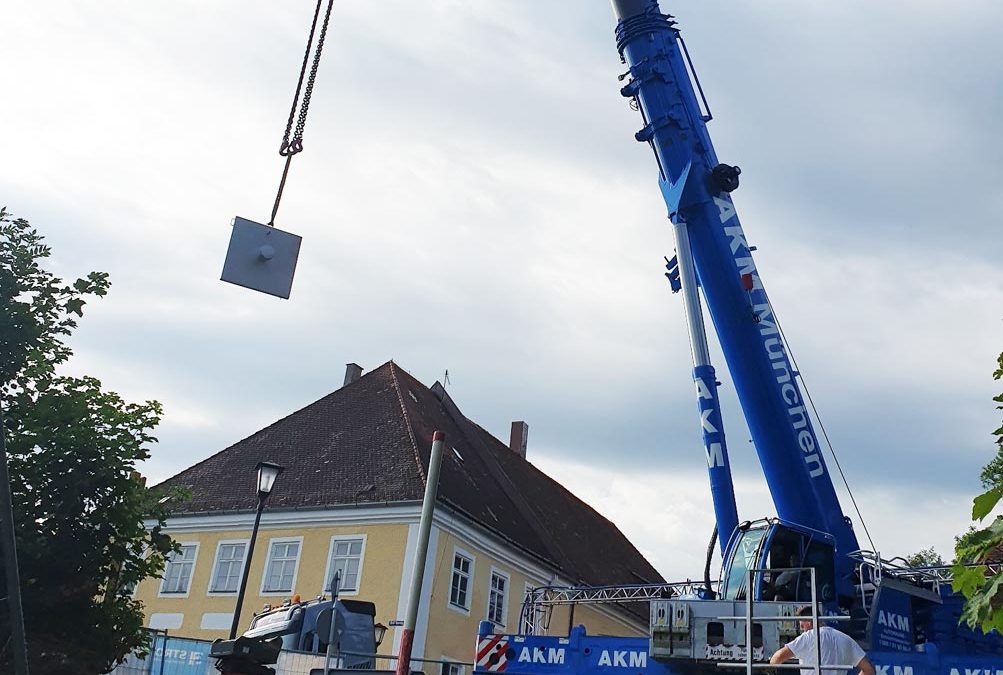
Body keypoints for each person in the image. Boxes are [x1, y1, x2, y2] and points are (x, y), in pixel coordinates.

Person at [769, 605, 875, 675]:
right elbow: (869, 670)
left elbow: (778, 657)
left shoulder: (809, 636)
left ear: (809, 622)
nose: (802, 630)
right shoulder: (846, 639)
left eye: (802, 626)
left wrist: (770, 667)